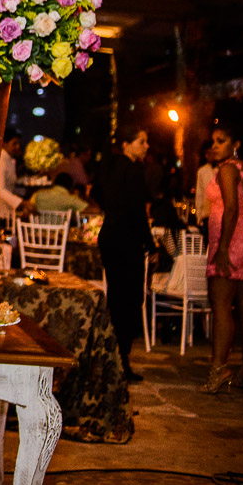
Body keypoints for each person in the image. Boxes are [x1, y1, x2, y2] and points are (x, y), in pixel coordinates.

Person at [200, 124, 243, 393]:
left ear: (235, 143)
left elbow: (231, 207)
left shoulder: (228, 169)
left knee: (221, 306)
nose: (214, 145)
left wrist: (224, 247)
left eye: (221, 140)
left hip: (231, 243)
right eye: (213, 141)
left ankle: (218, 370)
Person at [92, 125, 152, 382]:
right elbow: (137, 211)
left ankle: (113, 359)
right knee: (129, 301)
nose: (146, 146)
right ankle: (121, 361)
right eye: (141, 141)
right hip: (126, 240)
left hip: (110, 236)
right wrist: (150, 243)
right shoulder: (132, 170)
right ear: (126, 145)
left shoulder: (109, 167)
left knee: (117, 299)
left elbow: (97, 193)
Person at [0, 127, 25, 224]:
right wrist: (21, 203)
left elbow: (10, 186)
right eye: (14, 143)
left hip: (8, 210)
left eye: (18, 143)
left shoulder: (9, 159)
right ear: (4, 143)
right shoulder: (1, 159)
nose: (17, 147)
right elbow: (0, 190)